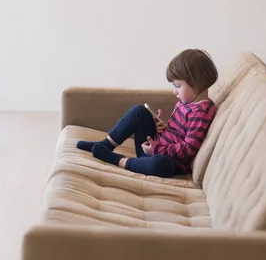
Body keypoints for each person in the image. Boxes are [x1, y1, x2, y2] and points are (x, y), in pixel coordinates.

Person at [76, 49, 218, 178]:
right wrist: (161, 126)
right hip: (151, 147)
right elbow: (178, 132)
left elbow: (189, 148)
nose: (174, 91)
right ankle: (107, 144)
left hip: (166, 158)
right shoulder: (186, 101)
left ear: (197, 82)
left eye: (178, 86)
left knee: (163, 165)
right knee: (140, 111)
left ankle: (117, 159)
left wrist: (156, 149)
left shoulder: (201, 112)